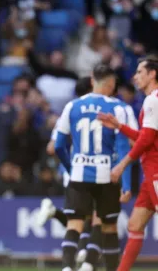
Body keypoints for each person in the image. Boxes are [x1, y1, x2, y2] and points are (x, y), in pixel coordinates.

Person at [38, 76, 138, 267]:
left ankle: (74, 259)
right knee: (99, 220)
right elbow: (131, 143)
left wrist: (70, 161)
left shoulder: (72, 109)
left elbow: (53, 147)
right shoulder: (116, 109)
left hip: (75, 172)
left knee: (76, 220)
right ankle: (88, 261)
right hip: (105, 172)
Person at [97, 55, 158, 271]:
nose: (135, 76)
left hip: (156, 173)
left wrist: (123, 164)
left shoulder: (153, 100)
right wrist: (119, 126)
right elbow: (146, 135)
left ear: (153, 74)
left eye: (140, 72)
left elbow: (147, 139)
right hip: (149, 173)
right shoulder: (152, 100)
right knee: (135, 225)